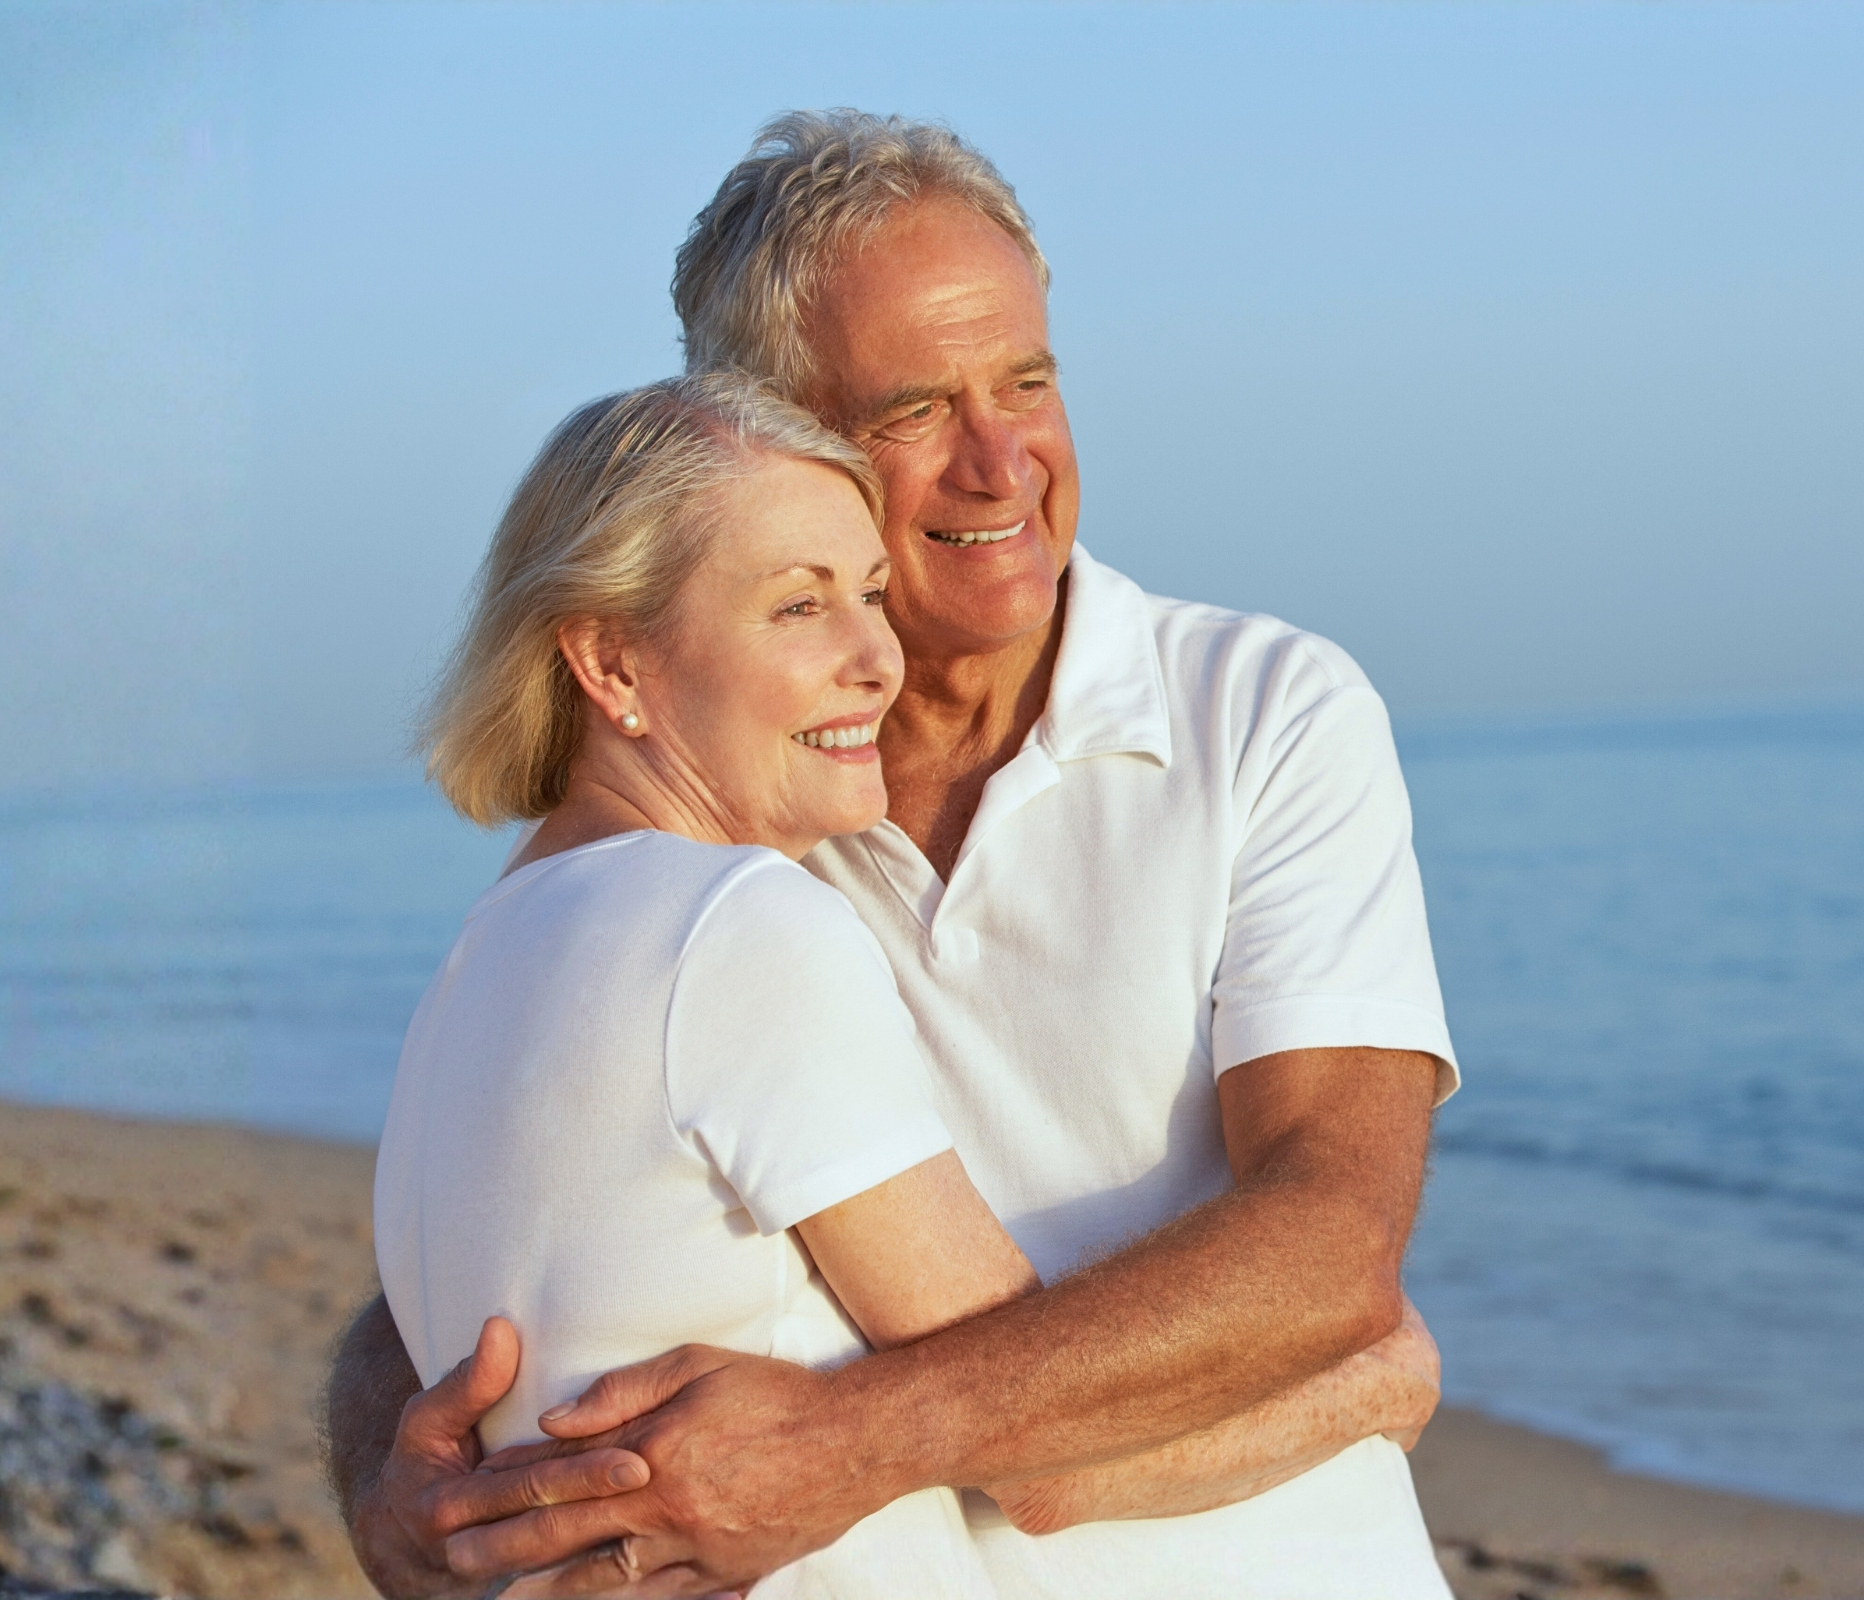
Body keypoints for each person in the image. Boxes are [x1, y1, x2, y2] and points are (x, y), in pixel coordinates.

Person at [328, 112, 1459, 1599]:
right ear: (770, 431)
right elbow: (500, 1244)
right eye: (917, 408)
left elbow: (1329, 1235)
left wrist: (847, 1442)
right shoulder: (719, 854)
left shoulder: (1265, 712)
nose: (1003, 463)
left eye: (1030, 382)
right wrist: (380, 1479)